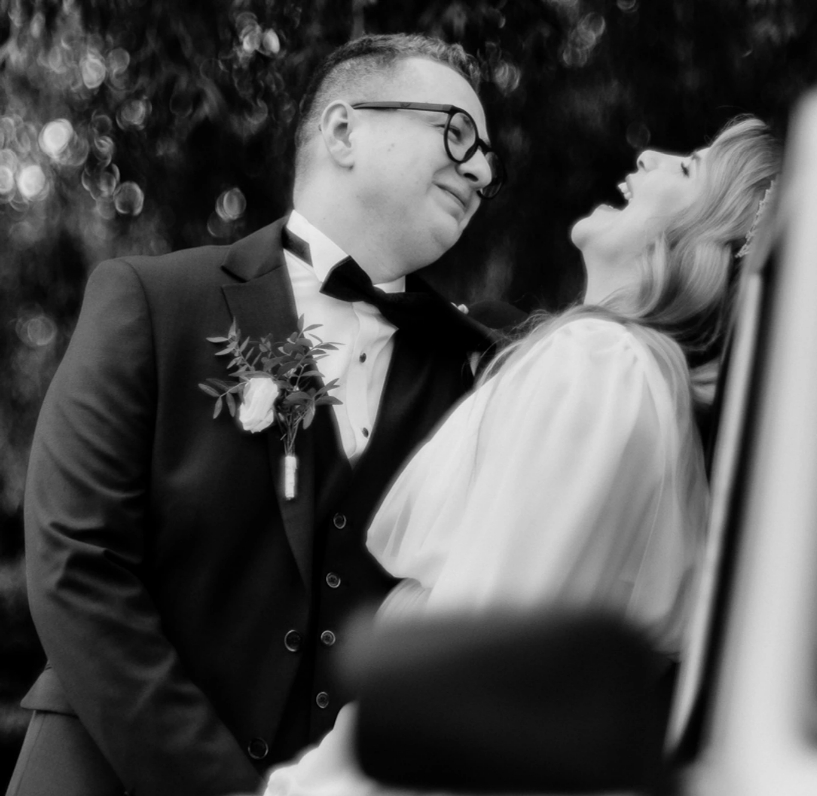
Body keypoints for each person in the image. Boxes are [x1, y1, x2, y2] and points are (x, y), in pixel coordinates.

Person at [10, 33, 506, 796]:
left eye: (489, 158)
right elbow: (77, 563)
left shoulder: (476, 374)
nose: (481, 171)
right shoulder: (153, 301)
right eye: (459, 133)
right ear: (344, 131)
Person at [262, 115, 782, 796]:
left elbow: (480, 661)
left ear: (707, 242)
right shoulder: (632, 379)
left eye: (688, 168)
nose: (650, 155)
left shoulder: (599, 366)